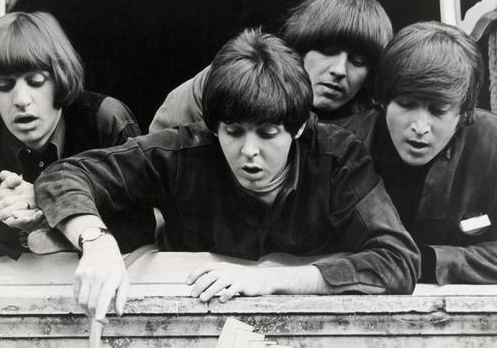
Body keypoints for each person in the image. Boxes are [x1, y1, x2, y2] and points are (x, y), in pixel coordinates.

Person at [34, 29, 419, 320]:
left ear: (299, 126)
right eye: (233, 132)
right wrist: (96, 242)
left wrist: (270, 278)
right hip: (187, 318)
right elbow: (64, 175)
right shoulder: (182, 151)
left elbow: (397, 261)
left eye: (268, 133)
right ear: (214, 127)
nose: (249, 150)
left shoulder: (339, 157)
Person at [360, 21, 497, 284]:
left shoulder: (492, 141)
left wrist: (428, 263)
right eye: (406, 104)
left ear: (465, 114)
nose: (420, 127)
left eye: (438, 110)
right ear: (382, 101)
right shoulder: (346, 142)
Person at [0, 11, 155, 259]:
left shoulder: (106, 121)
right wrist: (7, 223)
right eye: (4, 86)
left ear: (60, 79)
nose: (21, 100)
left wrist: (48, 208)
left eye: (36, 81)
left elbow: (141, 232)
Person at [149, 0, 392, 133]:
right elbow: (161, 154)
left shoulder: (375, 125)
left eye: (357, 61)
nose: (339, 70)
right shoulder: (235, 76)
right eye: (328, 51)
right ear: (300, 47)